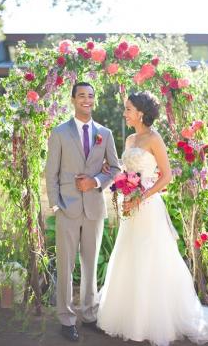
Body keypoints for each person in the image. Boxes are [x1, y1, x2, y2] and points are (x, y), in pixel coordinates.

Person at [97, 91, 208, 346]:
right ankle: (130, 317)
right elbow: (128, 172)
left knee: (152, 259)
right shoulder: (129, 139)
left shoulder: (154, 138)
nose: (125, 113)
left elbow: (166, 176)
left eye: (128, 109)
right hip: (131, 209)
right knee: (130, 256)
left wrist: (141, 196)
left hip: (148, 208)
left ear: (140, 113)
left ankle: (155, 320)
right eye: (125, 109)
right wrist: (120, 182)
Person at [45, 82, 120, 342]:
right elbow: (50, 172)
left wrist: (95, 181)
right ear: (73, 99)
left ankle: (89, 315)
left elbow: (115, 168)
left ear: (94, 100)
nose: (86, 100)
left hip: (94, 209)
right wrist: (56, 205)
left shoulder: (105, 133)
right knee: (66, 266)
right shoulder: (60, 132)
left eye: (90, 96)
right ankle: (66, 319)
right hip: (67, 208)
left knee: (90, 266)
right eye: (81, 96)